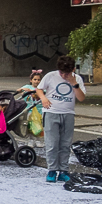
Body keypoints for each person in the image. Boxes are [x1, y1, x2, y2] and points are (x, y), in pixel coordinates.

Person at [36, 55, 86, 183]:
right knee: (52, 143)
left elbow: (81, 98)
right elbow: (39, 89)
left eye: (67, 73)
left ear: (73, 70)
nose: (64, 76)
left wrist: (74, 84)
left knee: (65, 144)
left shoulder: (77, 79)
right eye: (62, 73)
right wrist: (43, 98)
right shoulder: (51, 76)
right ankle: (52, 170)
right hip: (52, 112)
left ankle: (64, 170)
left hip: (68, 113)